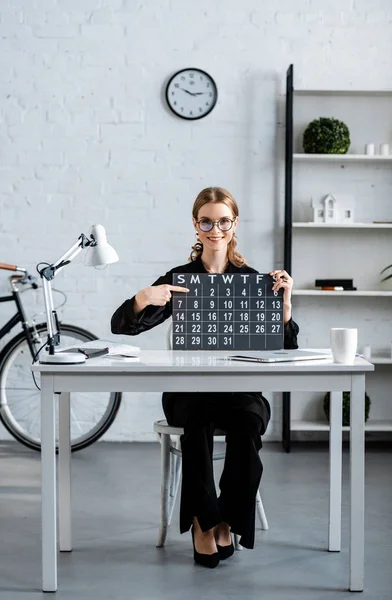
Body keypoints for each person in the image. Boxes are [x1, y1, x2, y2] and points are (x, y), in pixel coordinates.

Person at [111, 186, 299, 568]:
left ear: (235, 224)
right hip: (189, 391)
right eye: (207, 221)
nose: (215, 229)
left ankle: (228, 519)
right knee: (196, 423)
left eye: (223, 221)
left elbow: (285, 348)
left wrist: (285, 304)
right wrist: (144, 297)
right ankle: (203, 522)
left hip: (239, 392)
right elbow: (121, 327)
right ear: (196, 226)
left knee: (248, 424)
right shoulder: (180, 279)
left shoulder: (253, 279)